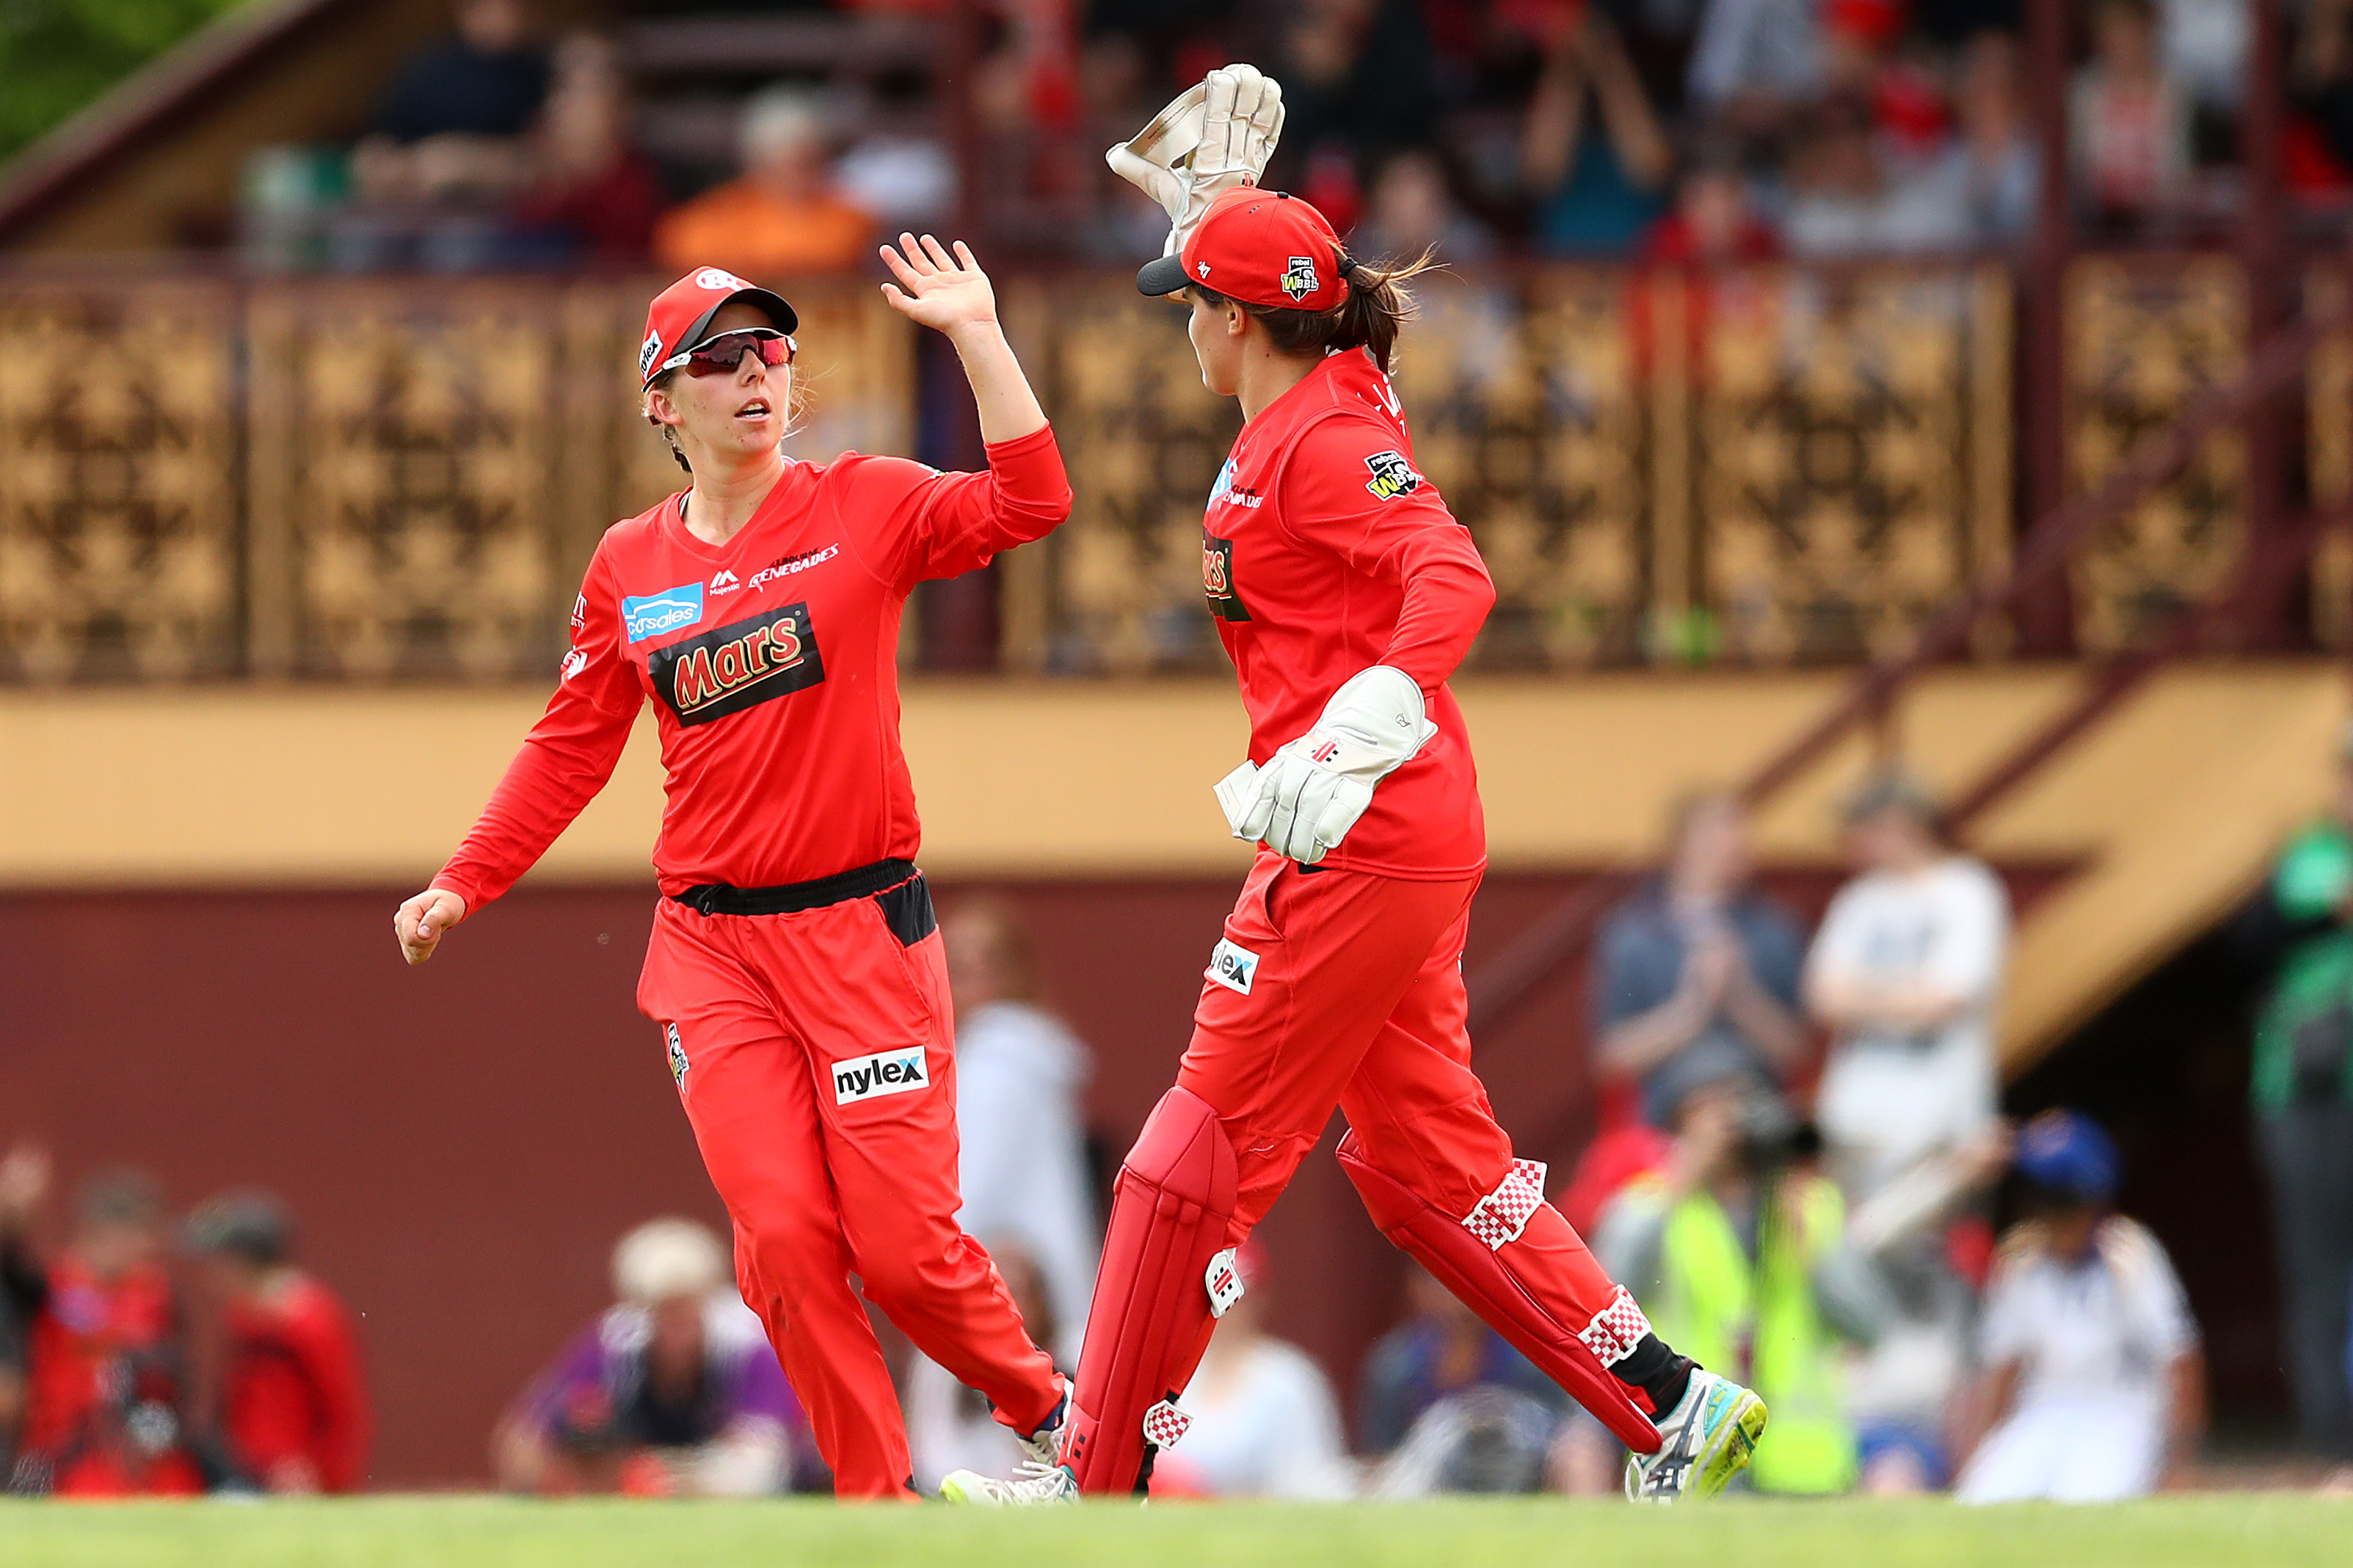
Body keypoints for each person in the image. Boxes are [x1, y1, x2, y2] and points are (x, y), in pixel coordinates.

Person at [945, 178, 1765, 1506]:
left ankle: (1091, 1479)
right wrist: (1215, 209)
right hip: (1387, 826)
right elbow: (1327, 324)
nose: (1181, 326)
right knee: (1419, 1166)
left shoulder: (1318, 436)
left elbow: (1455, 574)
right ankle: (1674, 1400)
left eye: (1192, 302)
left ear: (1239, 323)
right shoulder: (1324, 394)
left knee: (1186, 1158)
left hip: (1359, 833)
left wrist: (1374, 705)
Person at [392, 238, 1076, 1500]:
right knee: (781, 1243)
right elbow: (569, 745)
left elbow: (1030, 502)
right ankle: (877, 1507)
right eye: (720, 356)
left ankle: (1059, 1419)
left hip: (863, 931)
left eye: (772, 346)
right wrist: (464, 880)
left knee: (906, 1251)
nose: (758, 369)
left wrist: (977, 333)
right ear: (664, 401)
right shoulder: (628, 566)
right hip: (712, 948)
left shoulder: (862, 502)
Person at [1804, 769, 2010, 1491]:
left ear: (1904, 821)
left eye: (1866, 823)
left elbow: (1946, 998)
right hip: (1857, 1128)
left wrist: (1873, 998)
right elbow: (1823, 993)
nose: (1855, 840)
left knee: (1937, 1291)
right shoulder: (1860, 899)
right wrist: (1900, 998)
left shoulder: (1967, 892)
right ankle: (1875, 1440)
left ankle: (1940, 1449)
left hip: (1936, 1131)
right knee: (1852, 1278)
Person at [1585, 1071, 1883, 1496]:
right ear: (1681, 1126)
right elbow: (1609, 1292)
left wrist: (1805, 1234)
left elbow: (1868, 1325)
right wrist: (1682, 1179)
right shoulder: (1649, 1202)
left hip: (1800, 1459)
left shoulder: (1810, 1205)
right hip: (1692, 1441)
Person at [1954, 1112, 2205, 1502]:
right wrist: (1978, 1454)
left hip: (2120, 1413)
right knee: (1984, 1496)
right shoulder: (2022, 1259)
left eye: (2055, 1202)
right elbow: (2002, 1365)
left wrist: (2177, 1463)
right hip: (2042, 1412)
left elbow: (2180, 1359)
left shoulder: (2131, 1254)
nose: (2044, 1215)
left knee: (2088, 1496)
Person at [2236, 729, 2353, 1460]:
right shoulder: (2305, 857)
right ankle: (2330, 1437)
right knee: (2317, 1268)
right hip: (2306, 1092)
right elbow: (2245, 943)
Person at [494, 1219, 801, 1496]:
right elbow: (521, 1438)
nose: (677, 1326)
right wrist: (565, 1478)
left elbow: (763, 1463)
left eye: (687, 1309)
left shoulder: (748, 1346)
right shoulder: (615, 1343)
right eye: (663, 1311)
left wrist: (668, 1477)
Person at [1590, 790, 1810, 1131]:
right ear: (1682, 845)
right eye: (1719, 835)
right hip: (1668, 1109)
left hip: (1757, 1100)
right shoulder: (1633, 934)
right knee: (1713, 1114)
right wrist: (1694, 1004)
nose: (1736, 845)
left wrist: (1739, 992)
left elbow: (1795, 1049)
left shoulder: (1772, 929)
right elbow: (1613, 1057)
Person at [939, 898, 1098, 1366]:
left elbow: (965, 1194)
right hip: (1048, 1293)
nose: (950, 985)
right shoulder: (1023, 1053)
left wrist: (924, 1271)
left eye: (968, 969)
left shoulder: (999, 1058)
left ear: (1008, 973)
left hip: (1012, 1306)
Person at [0, 1151, 203, 1496]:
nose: (152, 1246)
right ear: (107, 1231)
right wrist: (12, 1213)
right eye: (145, 1233)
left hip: (142, 1460)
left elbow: (175, 1381)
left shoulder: (157, 1294)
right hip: (56, 1459)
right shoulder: (52, 1285)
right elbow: (7, 1259)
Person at [186, 1191, 371, 1494]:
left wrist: (321, 1474)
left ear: (239, 1262)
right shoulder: (243, 1315)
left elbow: (344, 1413)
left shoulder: (310, 1319)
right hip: (246, 1472)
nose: (206, 1271)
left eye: (213, 1259)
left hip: (294, 1483)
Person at [1143, 1246, 1351, 1499]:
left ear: (1257, 1300)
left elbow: (1314, 1481)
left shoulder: (1290, 1380)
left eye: (1234, 1298)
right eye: (1212, 1298)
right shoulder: (1172, 1378)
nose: (1224, 1310)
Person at [653, 88, 875, 277]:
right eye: (787, 160)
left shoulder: (848, 217)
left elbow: (841, 251)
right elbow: (681, 246)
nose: (797, 175)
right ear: (756, 160)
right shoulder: (714, 218)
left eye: (810, 160)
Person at [1359, 1265, 1567, 1460]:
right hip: (1427, 1476)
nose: (1455, 1297)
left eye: (1465, 1282)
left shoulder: (1526, 1356)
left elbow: (1559, 1430)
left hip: (1521, 1466)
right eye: (1441, 1283)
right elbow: (1381, 1454)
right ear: (1417, 1289)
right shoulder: (1396, 1366)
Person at [1521, 6, 1674, 258]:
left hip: (1634, 273)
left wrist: (1606, 59)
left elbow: (1651, 166)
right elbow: (1541, 170)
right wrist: (1569, 60)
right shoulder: (1554, 103)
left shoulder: (1642, 118)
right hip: (1564, 272)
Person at [2070, 0, 2192, 225]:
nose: (2123, 42)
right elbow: (2075, 168)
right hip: (2096, 223)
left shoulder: (2173, 90)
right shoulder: (2083, 92)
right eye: (2114, 32)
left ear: (2148, 33)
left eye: (2130, 31)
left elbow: (2180, 172)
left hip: (2161, 222)